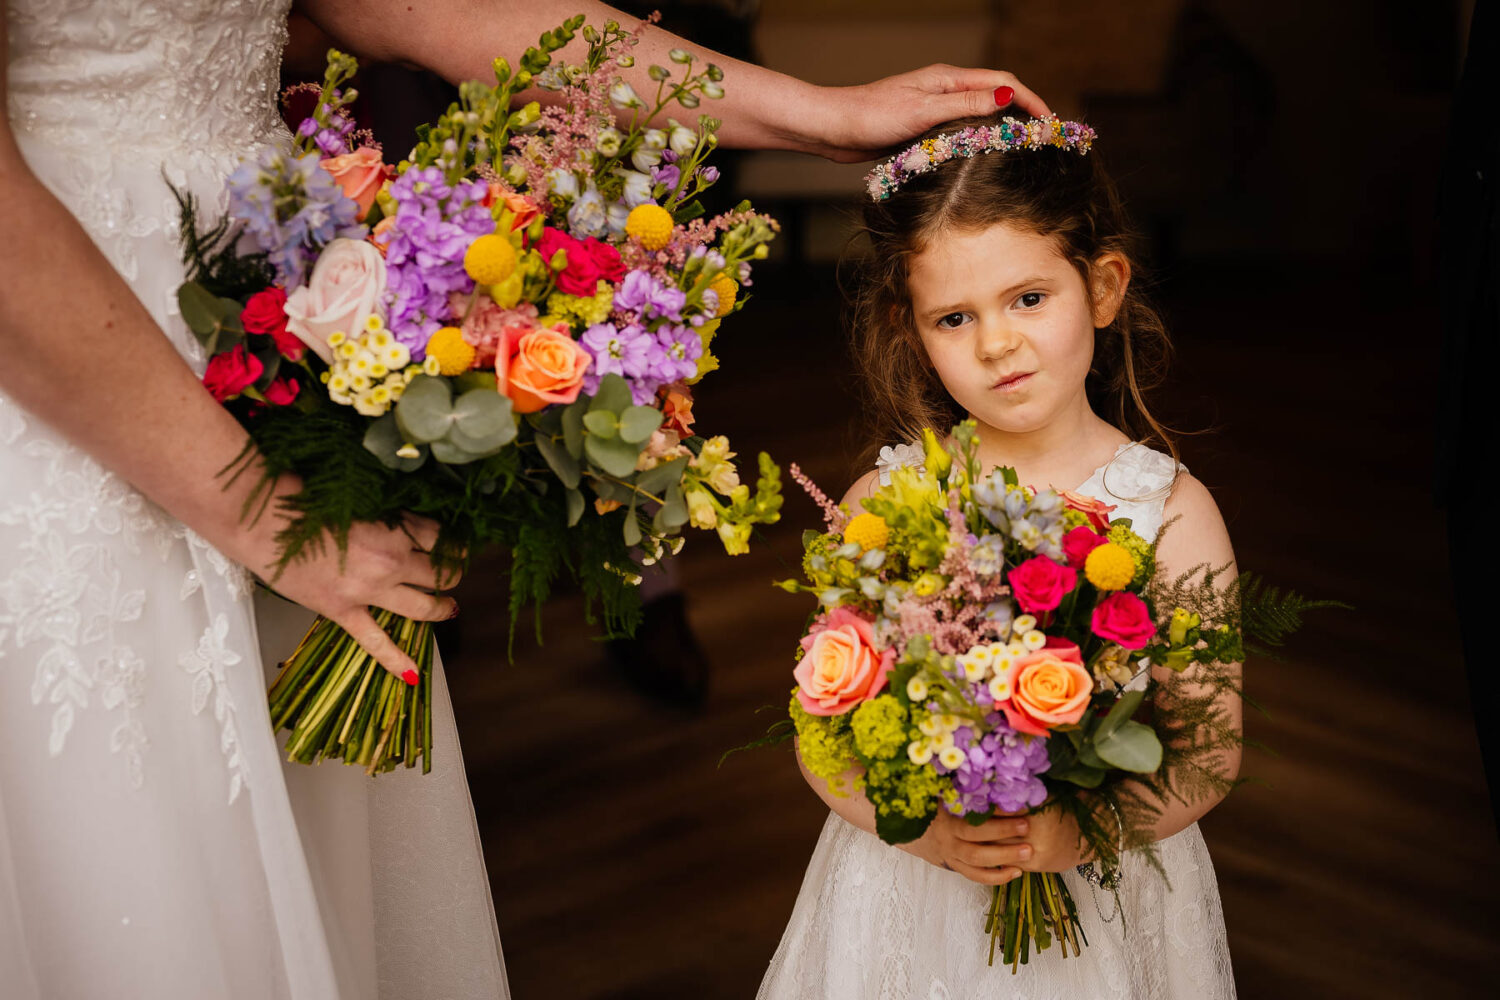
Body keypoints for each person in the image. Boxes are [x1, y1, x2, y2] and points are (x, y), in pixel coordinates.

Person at [0, 0, 1048, 994]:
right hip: (73, 355)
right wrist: (259, 516)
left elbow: (465, 12)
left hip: (283, 287)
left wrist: (821, 114)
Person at [757, 112, 1241, 997]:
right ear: (912, 332)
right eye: (954, 317)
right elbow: (822, 738)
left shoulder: (1170, 513)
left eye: (1028, 298)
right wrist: (925, 833)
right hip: (911, 887)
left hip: (1103, 885)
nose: (996, 343)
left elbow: (1210, 748)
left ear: (1101, 287)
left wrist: (1083, 832)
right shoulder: (882, 510)